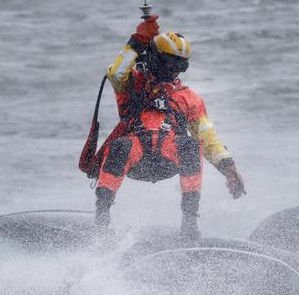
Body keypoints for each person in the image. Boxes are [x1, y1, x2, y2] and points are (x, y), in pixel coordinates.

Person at [94, 14, 245, 240]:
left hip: (168, 159)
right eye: (168, 63)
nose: (173, 71)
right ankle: (102, 219)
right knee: (120, 146)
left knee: (191, 145)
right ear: (155, 59)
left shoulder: (189, 98)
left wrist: (228, 168)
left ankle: (189, 224)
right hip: (136, 156)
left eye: (179, 66)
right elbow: (115, 71)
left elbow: (209, 139)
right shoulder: (131, 84)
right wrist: (137, 40)